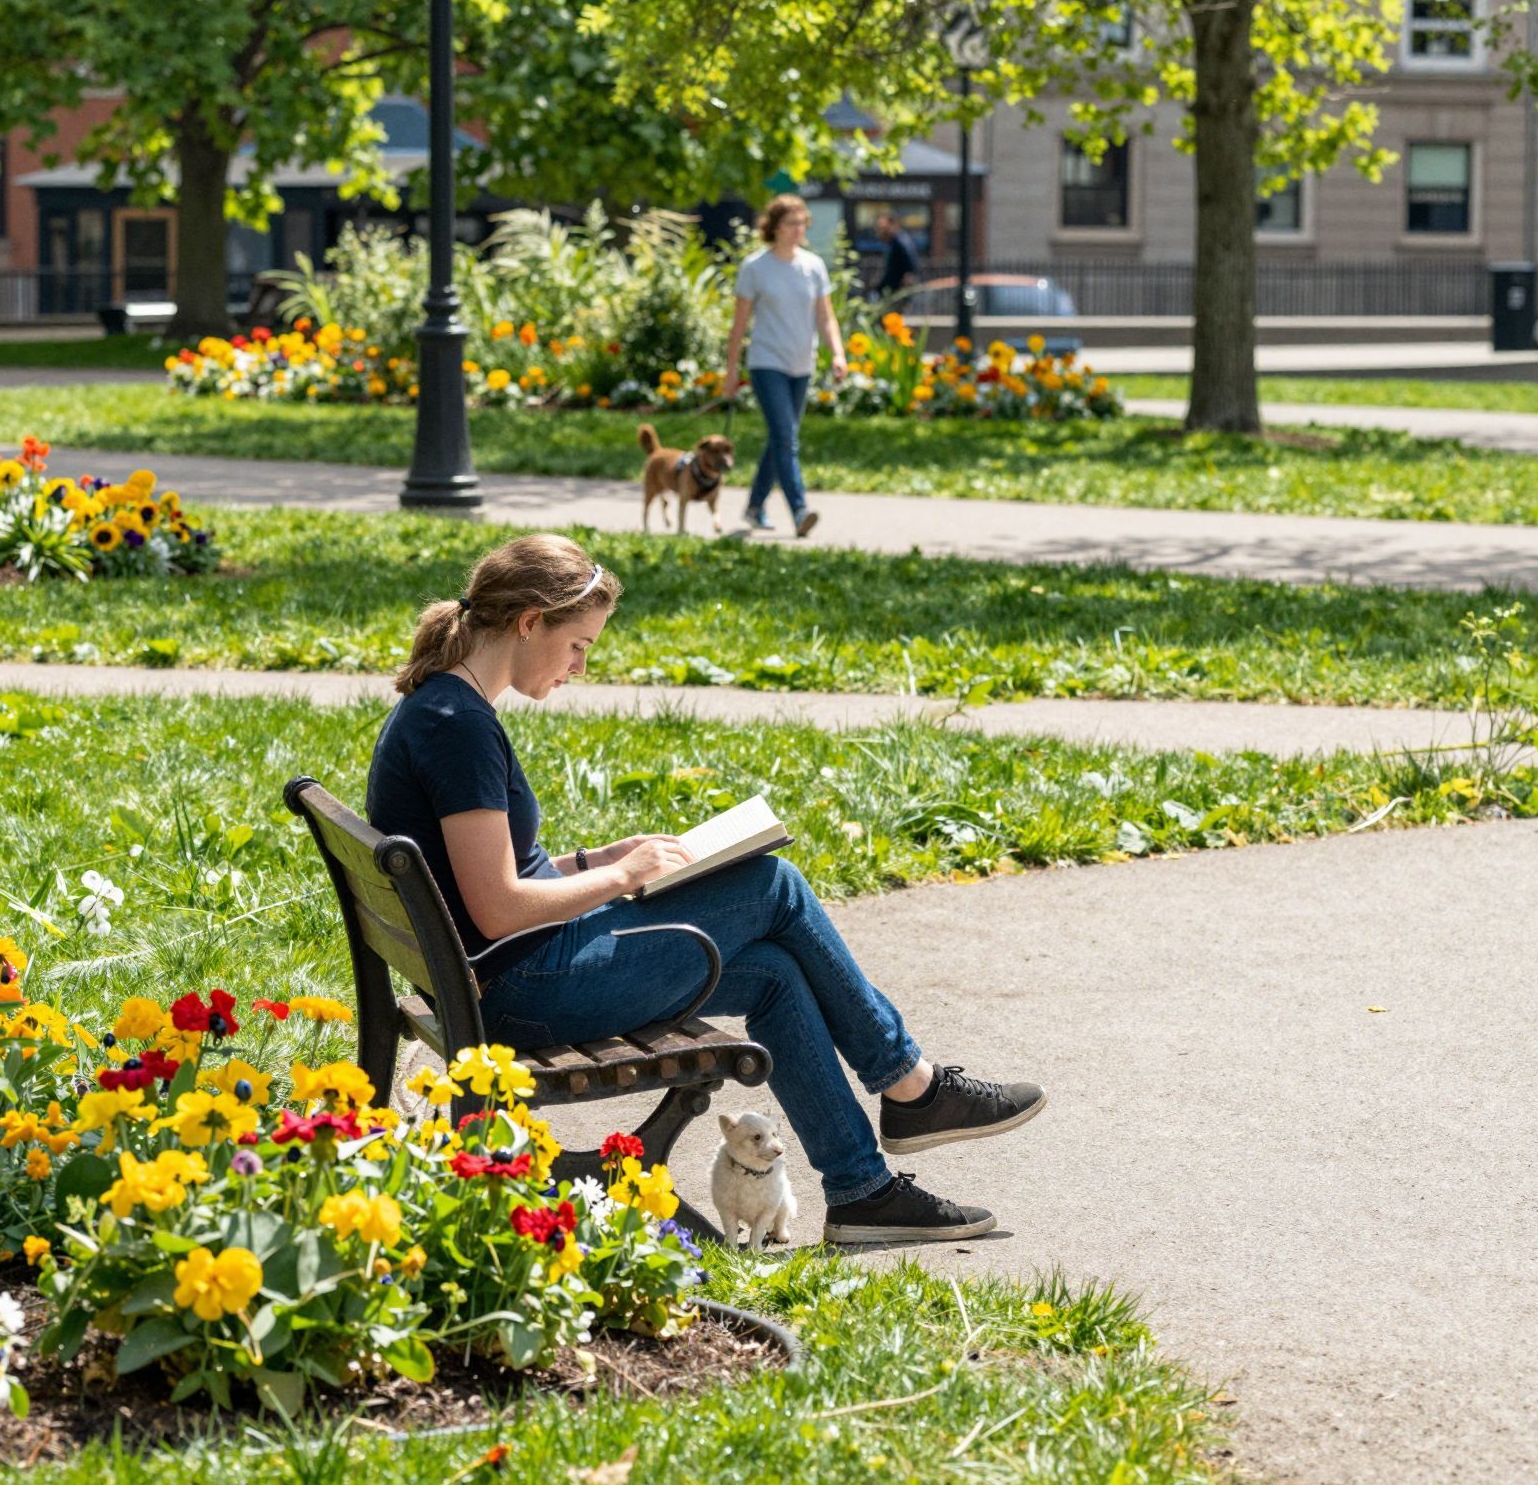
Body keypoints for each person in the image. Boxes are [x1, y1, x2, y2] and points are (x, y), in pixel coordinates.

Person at [365, 534, 1048, 1245]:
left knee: (775, 975)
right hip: (522, 994)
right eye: (578, 645)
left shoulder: (447, 709)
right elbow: (497, 906)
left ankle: (862, 1192)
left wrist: (598, 858)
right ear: (530, 621)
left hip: (508, 974)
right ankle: (913, 1086)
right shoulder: (459, 728)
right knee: (771, 884)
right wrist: (622, 878)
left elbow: (486, 883)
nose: (579, 667)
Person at [722, 194, 844, 538]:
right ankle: (799, 509)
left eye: (802, 222)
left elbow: (826, 315)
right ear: (773, 227)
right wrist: (731, 371)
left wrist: (838, 353)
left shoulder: (813, 266)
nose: (798, 229)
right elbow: (739, 324)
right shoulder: (755, 267)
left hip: (801, 364)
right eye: (791, 223)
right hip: (766, 363)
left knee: (781, 438)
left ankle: (755, 505)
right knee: (786, 438)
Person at [874, 211, 921, 303]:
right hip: (889, 290)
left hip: (897, 293)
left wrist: (906, 287)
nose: (880, 231)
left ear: (892, 225)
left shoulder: (901, 242)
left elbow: (911, 268)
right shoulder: (892, 243)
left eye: (883, 228)